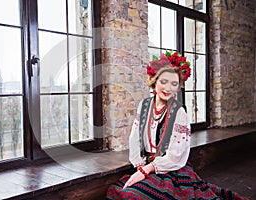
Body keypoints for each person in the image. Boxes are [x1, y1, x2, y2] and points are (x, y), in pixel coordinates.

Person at [106, 51, 248, 200]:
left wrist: (148, 170)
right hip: (145, 166)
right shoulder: (144, 105)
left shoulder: (179, 112)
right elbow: (135, 137)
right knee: (118, 191)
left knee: (134, 196)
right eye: (163, 82)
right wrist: (139, 165)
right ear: (155, 81)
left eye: (174, 84)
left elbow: (176, 154)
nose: (167, 88)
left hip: (170, 170)